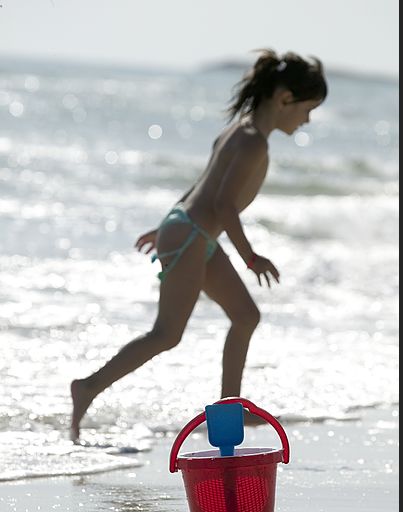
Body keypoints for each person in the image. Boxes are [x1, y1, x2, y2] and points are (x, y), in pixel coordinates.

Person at [70, 49, 328, 441]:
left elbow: (201, 187)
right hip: (191, 234)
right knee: (167, 334)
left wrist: (166, 226)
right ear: (285, 98)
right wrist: (250, 256)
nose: (307, 120)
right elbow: (223, 204)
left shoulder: (238, 131)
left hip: (189, 231)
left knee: (245, 316)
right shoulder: (252, 141)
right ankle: (87, 387)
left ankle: (228, 411)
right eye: (308, 109)